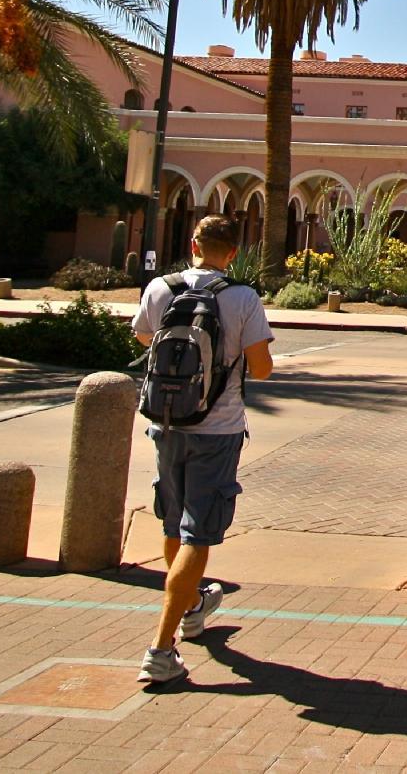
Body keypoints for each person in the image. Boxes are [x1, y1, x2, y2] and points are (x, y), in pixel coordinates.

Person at [132, 214, 274, 684]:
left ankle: (192, 606)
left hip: (166, 422)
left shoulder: (160, 288)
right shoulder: (242, 297)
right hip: (219, 429)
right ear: (233, 252)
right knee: (199, 535)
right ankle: (160, 647)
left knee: (174, 523)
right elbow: (264, 367)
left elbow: (144, 338)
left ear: (193, 244)